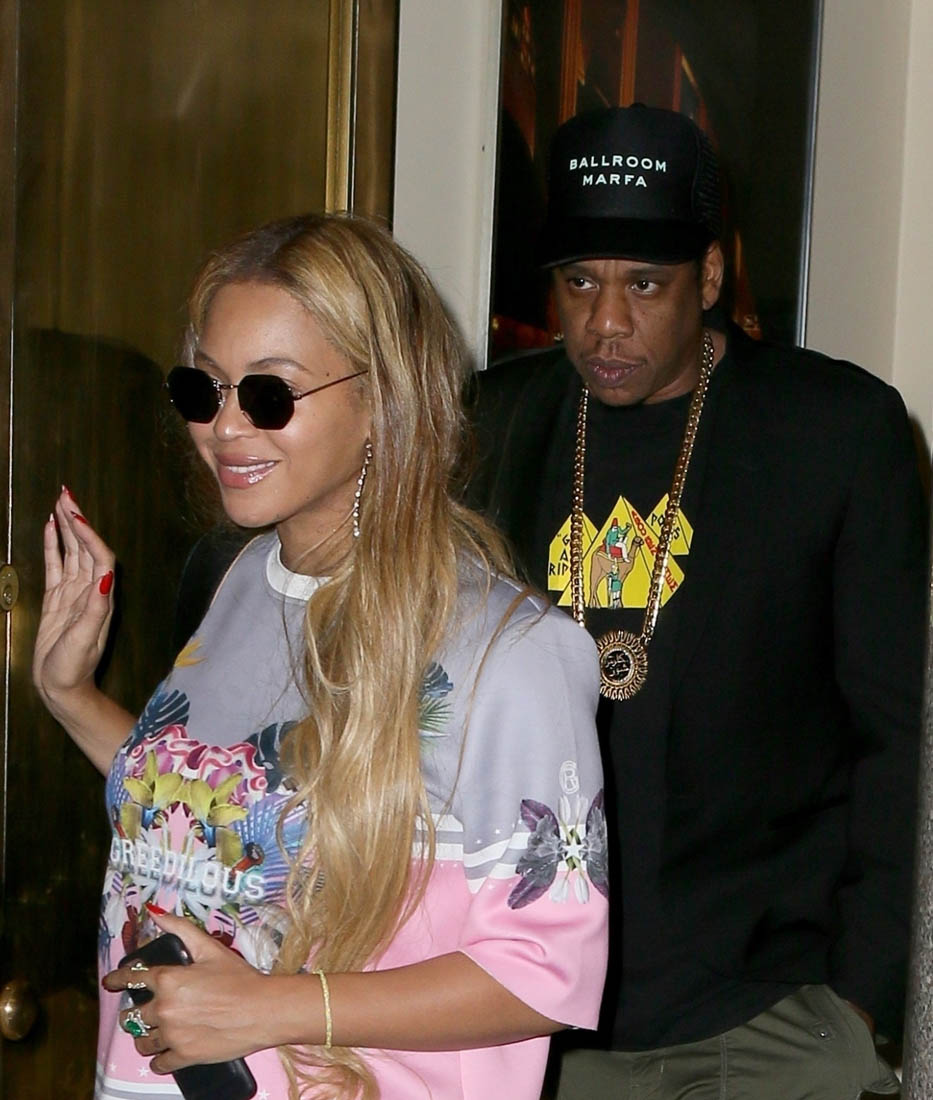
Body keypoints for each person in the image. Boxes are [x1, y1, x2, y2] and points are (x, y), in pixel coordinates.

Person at [32, 213, 609, 1100]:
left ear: (382, 399)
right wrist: (70, 693)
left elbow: (546, 975)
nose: (224, 427)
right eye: (203, 388)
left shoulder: (509, 651)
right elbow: (229, 816)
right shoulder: (243, 581)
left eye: (269, 394)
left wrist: (272, 1009)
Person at [466, 105, 927, 1099]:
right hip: (538, 1022)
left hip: (769, 1018)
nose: (605, 321)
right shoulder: (491, 426)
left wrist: (860, 1002)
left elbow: (899, 736)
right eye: (579, 281)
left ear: (709, 278)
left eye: (644, 283)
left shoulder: (835, 433)